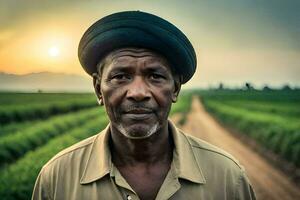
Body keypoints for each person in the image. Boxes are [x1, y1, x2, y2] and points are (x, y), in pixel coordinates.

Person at [32, 11, 256, 200]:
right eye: (121, 76)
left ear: (175, 89)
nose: (138, 93)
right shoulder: (57, 178)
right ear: (98, 88)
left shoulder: (228, 178)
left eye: (155, 76)